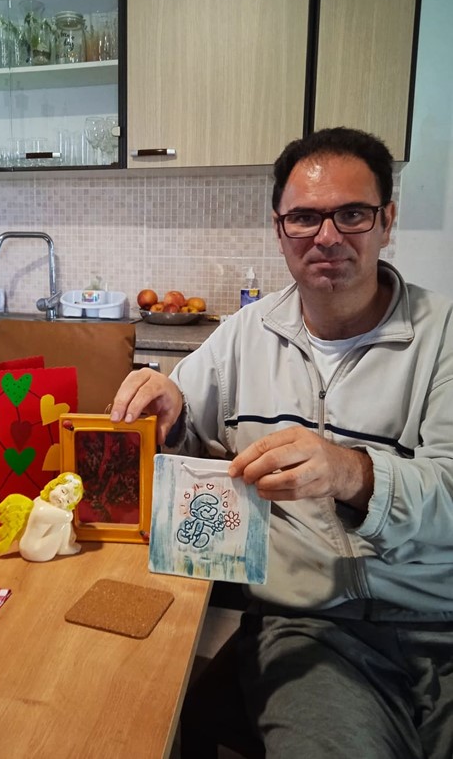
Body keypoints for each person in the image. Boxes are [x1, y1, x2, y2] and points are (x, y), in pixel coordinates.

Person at [110, 127, 453, 759]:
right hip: (310, 628)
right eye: (304, 217)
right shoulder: (245, 333)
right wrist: (170, 414)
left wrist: (353, 473)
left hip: (440, 616)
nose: (327, 236)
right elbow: (188, 441)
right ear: (280, 229)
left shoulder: (443, 337)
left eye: (352, 214)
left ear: (387, 221)